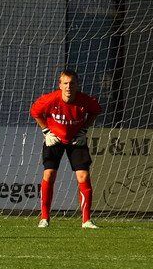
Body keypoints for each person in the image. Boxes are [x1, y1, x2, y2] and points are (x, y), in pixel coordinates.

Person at [30, 68, 102, 229]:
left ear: (77, 85)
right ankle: (44, 218)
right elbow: (35, 112)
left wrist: (84, 130)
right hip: (54, 138)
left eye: (72, 83)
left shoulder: (85, 100)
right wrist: (46, 131)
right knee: (49, 174)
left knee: (83, 176)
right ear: (60, 85)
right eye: (66, 83)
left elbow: (95, 111)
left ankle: (86, 221)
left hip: (76, 139)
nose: (69, 87)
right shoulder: (50, 99)